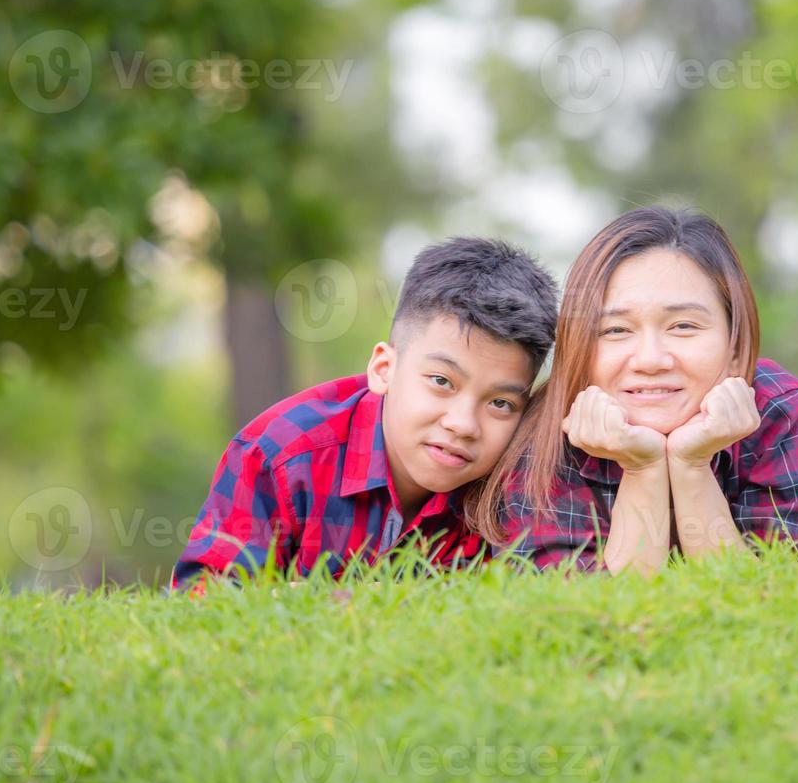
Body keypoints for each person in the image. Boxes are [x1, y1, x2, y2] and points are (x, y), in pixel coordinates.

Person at [472, 206, 798, 573]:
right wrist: (642, 468)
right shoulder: (543, 441)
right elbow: (593, 620)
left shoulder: (785, 412)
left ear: (736, 345)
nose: (650, 360)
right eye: (615, 330)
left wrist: (692, 466)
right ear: (579, 349)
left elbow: (781, 605)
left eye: (683, 326)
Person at [171, 237, 558, 587]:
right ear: (383, 369)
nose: (462, 424)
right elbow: (203, 599)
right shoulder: (281, 455)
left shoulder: (517, 483)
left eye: (500, 404)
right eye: (442, 381)